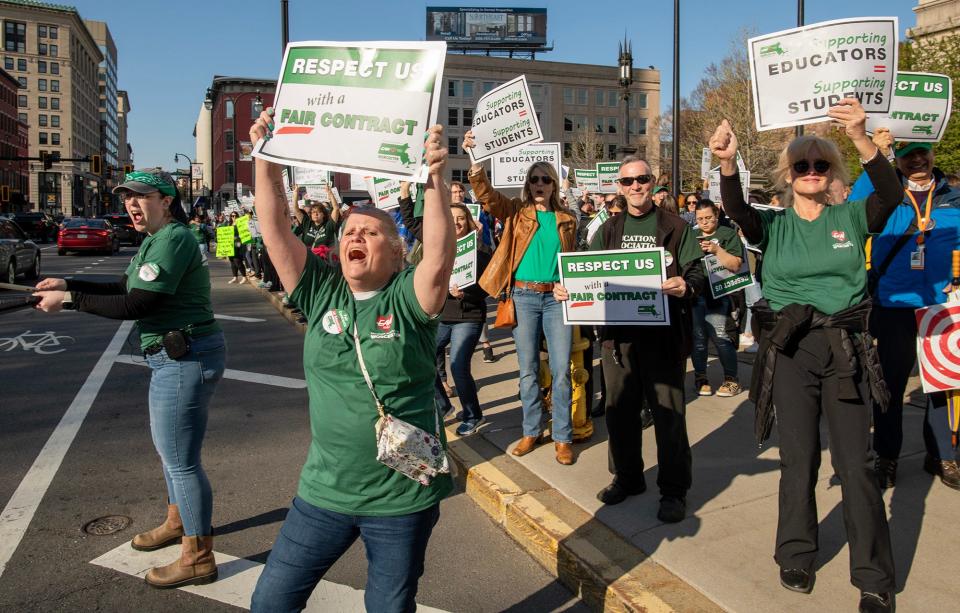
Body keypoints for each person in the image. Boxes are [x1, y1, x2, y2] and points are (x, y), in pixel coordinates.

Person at [247, 113, 456, 613]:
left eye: (369, 231)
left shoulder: (409, 297)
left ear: (397, 251)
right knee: (270, 603)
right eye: (348, 232)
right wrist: (265, 159)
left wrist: (436, 178)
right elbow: (274, 228)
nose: (354, 236)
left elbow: (440, 253)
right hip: (322, 496)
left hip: (400, 501)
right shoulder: (323, 291)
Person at [709, 97, 901, 612]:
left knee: (857, 464)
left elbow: (891, 192)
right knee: (798, 459)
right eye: (802, 166)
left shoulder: (852, 215)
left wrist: (862, 137)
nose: (812, 172)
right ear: (789, 175)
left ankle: (873, 574)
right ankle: (796, 552)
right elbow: (738, 212)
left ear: (832, 172)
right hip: (791, 350)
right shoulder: (772, 225)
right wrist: (727, 165)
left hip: (846, 349)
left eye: (820, 165)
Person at [33, 169, 226, 588]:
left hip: (184, 357)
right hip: (173, 357)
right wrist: (69, 281)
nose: (132, 206)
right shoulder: (156, 241)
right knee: (171, 454)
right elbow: (124, 283)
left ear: (166, 200)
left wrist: (67, 302)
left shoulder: (174, 239)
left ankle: (197, 556)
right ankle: (178, 522)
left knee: (181, 460)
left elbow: (137, 303)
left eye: (141, 197)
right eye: (126, 199)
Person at [555, 156, 705, 522]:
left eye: (642, 179)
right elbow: (587, 271)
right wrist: (568, 290)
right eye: (628, 181)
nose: (635, 186)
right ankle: (627, 477)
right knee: (619, 412)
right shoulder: (608, 229)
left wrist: (687, 285)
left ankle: (673, 490)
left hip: (664, 337)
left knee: (668, 416)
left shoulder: (675, 226)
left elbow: (698, 272)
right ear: (618, 187)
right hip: (617, 339)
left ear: (652, 183)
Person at [463, 129, 578, 465]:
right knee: (527, 369)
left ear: (554, 185)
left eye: (546, 179)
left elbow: (573, 261)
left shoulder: (567, 220)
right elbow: (485, 194)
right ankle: (531, 431)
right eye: (534, 179)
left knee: (561, 370)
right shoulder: (515, 211)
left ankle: (563, 437)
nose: (540, 184)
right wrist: (473, 157)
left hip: (556, 300)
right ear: (528, 185)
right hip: (523, 297)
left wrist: (568, 284)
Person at [867, 137, 960, 491]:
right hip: (894, 304)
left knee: (942, 384)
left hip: (940, 304)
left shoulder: (954, 197)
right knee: (889, 386)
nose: (917, 159)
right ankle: (886, 457)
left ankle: (941, 455)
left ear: (933, 153)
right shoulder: (884, 196)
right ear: (898, 160)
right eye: (907, 154)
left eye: (922, 151)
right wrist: (877, 148)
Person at [434, 204, 492, 435]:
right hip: (443, 314)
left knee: (458, 365)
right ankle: (443, 405)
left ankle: (473, 415)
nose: (456, 222)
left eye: (461, 218)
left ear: (469, 221)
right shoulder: (439, 247)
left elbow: (488, 287)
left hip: (469, 315)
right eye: (451, 218)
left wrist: (465, 293)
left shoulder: (481, 250)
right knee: (423, 356)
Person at [691, 200, 744, 397]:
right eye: (700, 219)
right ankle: (700, 377)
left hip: (720, 294)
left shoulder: (727, 234)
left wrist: (716, 250)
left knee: (721, 336)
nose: (704, 222)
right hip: (697, 294)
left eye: (708, 218)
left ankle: (731, 378)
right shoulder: (690, 234)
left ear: (716, 215)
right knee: (698, 339)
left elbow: (736, 264)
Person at [226, 211, 248, 284]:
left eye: (235, 216)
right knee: (232, 261)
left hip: (238, 244)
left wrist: (236, 238)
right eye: (232, 216)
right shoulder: (229, 224)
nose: (234, 217)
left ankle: (244, 277)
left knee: (237, 260)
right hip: (230, 245)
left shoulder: (240, 224)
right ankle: (235, 277)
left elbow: (244, 234)